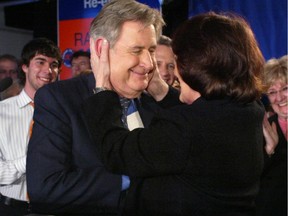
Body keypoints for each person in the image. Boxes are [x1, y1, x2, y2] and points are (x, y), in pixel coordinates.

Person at [82, 12, 266, 215]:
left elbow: (117, 151)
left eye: (176, 60)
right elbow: (199, 117)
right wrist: (160, 89)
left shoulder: (189, 128)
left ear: (196, 66)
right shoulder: (249, 109)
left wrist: (102, 90)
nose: (173, 69)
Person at [26, 0, 166, 215]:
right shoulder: (60, 99)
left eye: (151, 50)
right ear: (101, 49)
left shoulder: (156, 103)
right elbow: (46, 188)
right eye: (136, 50)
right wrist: (133, 176)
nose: (148, 63)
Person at [0, 38, 62, 216]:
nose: (48, 71)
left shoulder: (65, 113)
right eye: (40, 62)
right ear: (25, 67)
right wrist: (32, 160)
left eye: (54, 64)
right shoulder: (2, 112)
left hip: (54, 207)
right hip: (9, 208)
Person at [256, 55, 287, 216]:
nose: (280, 98)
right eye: (272, 92)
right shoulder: (262, 128)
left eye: (285, 89)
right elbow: (250, 177)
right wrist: (268, 150)